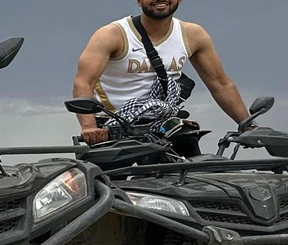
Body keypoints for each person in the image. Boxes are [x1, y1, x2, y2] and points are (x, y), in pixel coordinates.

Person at [73, 0, 252, 145]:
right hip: (112, 125)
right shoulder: (112, 35)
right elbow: (84, 83)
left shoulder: (192, 34)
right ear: (139, 1)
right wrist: (89, 128)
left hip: (164, 123)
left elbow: (220, 83)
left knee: (195, 177)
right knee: (104, 184)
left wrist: (248, 126)